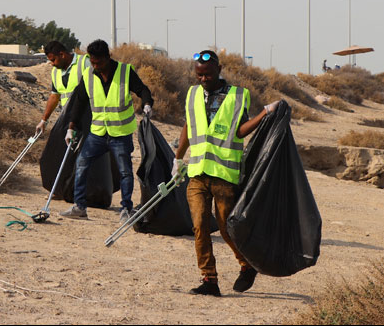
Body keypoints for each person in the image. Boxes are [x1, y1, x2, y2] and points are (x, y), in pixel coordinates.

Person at [172, 50, 279, 297]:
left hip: (223, 175)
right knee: (199, 225)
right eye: (199, 75)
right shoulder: (192, 94)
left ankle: (246, 264)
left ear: (219, 70)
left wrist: (265, 113)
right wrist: (178, 158)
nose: (203, 79)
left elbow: (240, 131)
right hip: (197, 172)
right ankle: (209, 280)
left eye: (208, 74)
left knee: (226, 228)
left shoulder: (238, 96)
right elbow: (189, 126)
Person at [60, 39, 154, 223]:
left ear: (108, 57)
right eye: (92, 62)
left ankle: (126, 209)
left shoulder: (125, 72)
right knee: (81, 164)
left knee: (125, 172)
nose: (96, 66)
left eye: (99, 62)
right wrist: (71, 128)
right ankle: (80, 206)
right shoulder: (88, 75)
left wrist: (147, 104)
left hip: (120, 133)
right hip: (98, 133)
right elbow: (79, 102)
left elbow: (142, 90)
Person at [36, 40, 90, 134]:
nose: (52, 64)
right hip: (69, 118)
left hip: (88, 116)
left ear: (62, 54)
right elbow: (54, 97)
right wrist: (43, 120)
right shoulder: (55, 72)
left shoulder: (84, 63)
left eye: (53, 60)